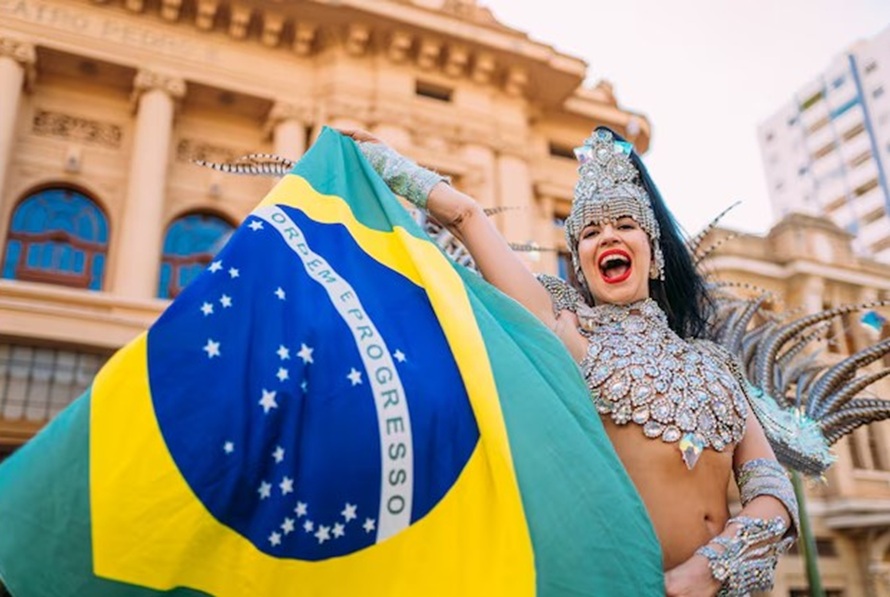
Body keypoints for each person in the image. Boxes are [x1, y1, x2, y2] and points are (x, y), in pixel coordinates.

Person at [343, 126, 800, 596]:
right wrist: (385, 162)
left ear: (654, 252)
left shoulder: (712, 364)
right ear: (579, 260)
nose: (608, 237)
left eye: (624, 225)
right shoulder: (567, 328)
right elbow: (466, 216)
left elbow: (773, 492)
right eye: (589, 232)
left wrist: (707, 571)